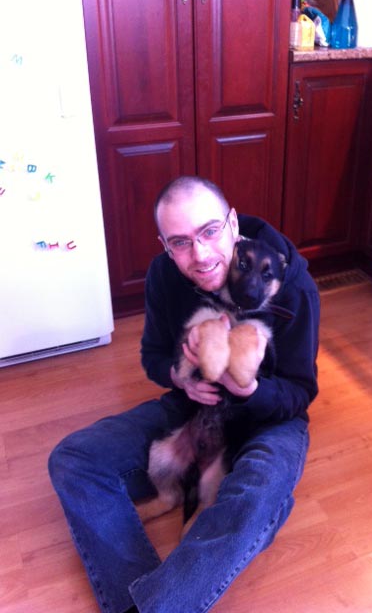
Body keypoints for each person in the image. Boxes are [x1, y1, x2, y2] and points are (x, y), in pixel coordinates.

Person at [49, 176, 320, 613]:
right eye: (180, 242)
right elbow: (153, 356)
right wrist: (180, 377)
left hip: (271, 422)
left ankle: (245, 515)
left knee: (257, 490)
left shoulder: (290, 283)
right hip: (194, 408)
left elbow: (300, 391)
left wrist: (250, 389)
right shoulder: (163, 275)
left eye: (209, 231)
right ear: (165, 246)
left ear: (233, 223)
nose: (201, 254)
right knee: (73, 458)